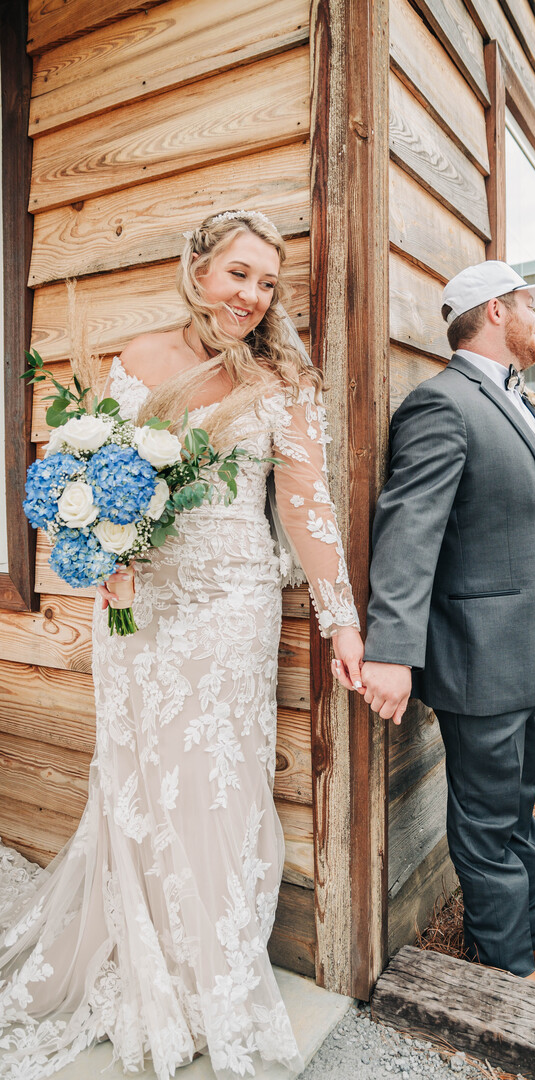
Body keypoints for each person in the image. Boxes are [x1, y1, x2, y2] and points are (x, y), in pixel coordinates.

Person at [0, 209, 364, 1079]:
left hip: (231, 603)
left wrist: (341, 617)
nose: (252, 295)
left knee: (214, 779)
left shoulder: (281, 379)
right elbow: (93, 478)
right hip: (141, 606)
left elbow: (305, 502)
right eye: (238, 273)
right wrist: (106, 561)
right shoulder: (140, 357)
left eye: (267, 282)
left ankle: (209, 976)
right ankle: (136, 950)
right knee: (136, 774)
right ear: (197, 270)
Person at [350, 261, 535, 989]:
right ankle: (506, 971)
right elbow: (408, 535)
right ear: (496, 310)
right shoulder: (442, 404)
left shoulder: (518, 399)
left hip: (527, 653)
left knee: (516, 806)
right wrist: (392, 651)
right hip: (480, 656)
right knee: (487, 822)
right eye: (530, 304)